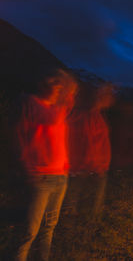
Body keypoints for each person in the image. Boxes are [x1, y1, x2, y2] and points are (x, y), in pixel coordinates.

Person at [15, 69, 77, 261]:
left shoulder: (57, 109)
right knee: (29, 231)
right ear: (42, 83)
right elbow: (18, 137)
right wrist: (27, 167)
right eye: (54, 82)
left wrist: (65, 167)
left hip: (60, 176)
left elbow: (70, 94)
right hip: (41, 176)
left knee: (49, 227)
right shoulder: (30, 103)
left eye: (60, 84)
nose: (58, 87)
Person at [66, 83, 114, 217]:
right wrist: (89, 165)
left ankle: (90, 217)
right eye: (107, 95)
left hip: (96, 166)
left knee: (88, 195)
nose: (111, 99)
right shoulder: (82, 115)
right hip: (83, 166)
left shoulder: (98, 116)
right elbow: (84, 143)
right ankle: (73, 220)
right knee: (76, 193)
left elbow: (100, 143)